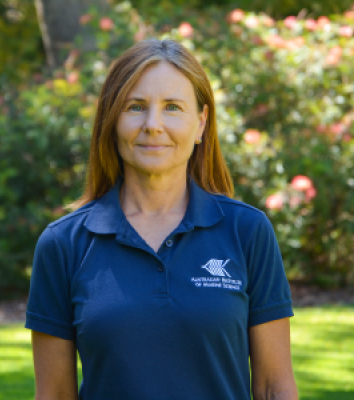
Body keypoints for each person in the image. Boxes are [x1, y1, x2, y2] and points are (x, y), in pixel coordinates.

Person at [25, 39, 298, 400]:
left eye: (172, 107)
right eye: (135, 107)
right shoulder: (63, 244)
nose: (153, 125)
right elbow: (54, 395)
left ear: (201, 123)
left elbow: (273, 387)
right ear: (111, 119)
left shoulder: (247, 231)